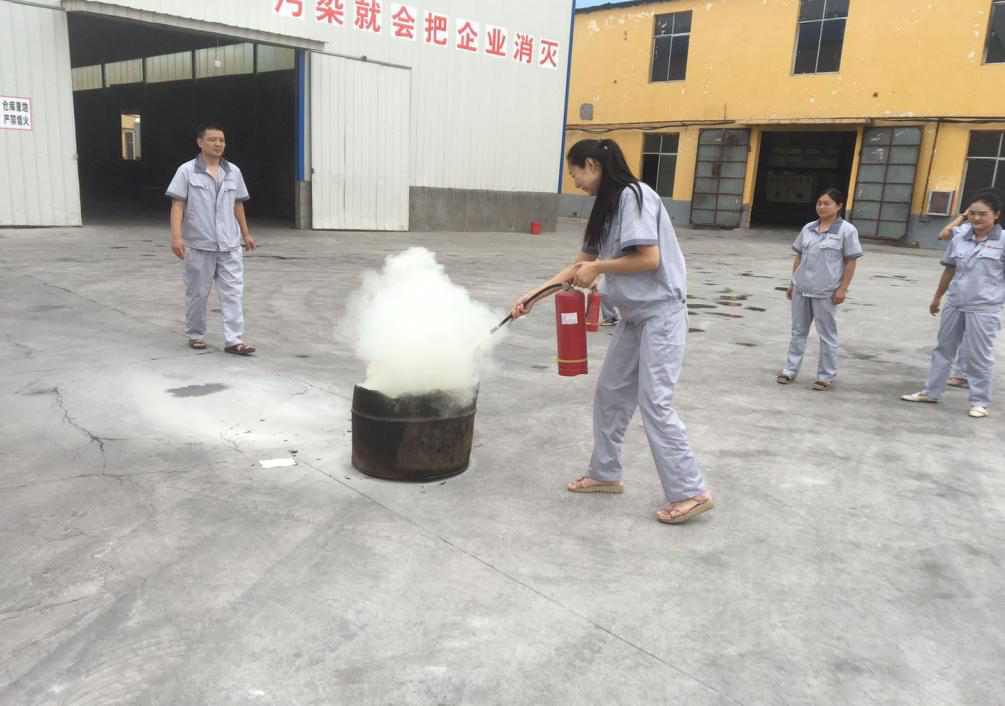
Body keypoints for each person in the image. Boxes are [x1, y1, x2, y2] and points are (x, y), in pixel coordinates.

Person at [509, 138, 712, 525]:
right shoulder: (605, 208)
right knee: (610, 394)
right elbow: (579, 266)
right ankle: (605, 473)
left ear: (592, 164)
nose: (575, 183)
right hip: (634, 318)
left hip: (661, 315)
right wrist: (534, 295)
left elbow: (648, 258)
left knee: (655, 403)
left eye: (575, 174)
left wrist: (600, 268)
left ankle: (691, 491)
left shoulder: (636, 196)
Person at [902, 191, 1004, 417]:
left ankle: (979, 402)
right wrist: (938, 296)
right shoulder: (960, 237)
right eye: (973, 214)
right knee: (943, 349)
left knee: (979, 355)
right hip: (955, 303)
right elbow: (950, 269)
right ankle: (931, 392)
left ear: (996, 215)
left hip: (984, 308)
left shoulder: (1003, 241)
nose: (976, 218)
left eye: (983, 214)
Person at [166, 123, 257, 355]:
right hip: (199, 245)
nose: (218, 144)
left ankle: (234, 340)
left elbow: (238, 204)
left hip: (229, 245)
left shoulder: (233, 171)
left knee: (233, 293)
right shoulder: (187, 171)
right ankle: (196, 334)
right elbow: (177, 205)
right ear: (200, 142)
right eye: (213, 139)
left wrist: (245, 234)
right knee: (197, 293)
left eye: (222, 140)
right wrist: (176, 236)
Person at [777, 188, 863, 390]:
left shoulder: (847, 231)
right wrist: (792, 283)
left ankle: (825, 376)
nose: (822, 207)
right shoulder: (808, 228)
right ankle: (790, 370)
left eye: (827, 203)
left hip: (826, 292)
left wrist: (843, 289)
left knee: (827, 335)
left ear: (839, 206)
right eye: (819, 203)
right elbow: (799, 256)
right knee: (798, 331)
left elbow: (851, 261)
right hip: (802, 288)